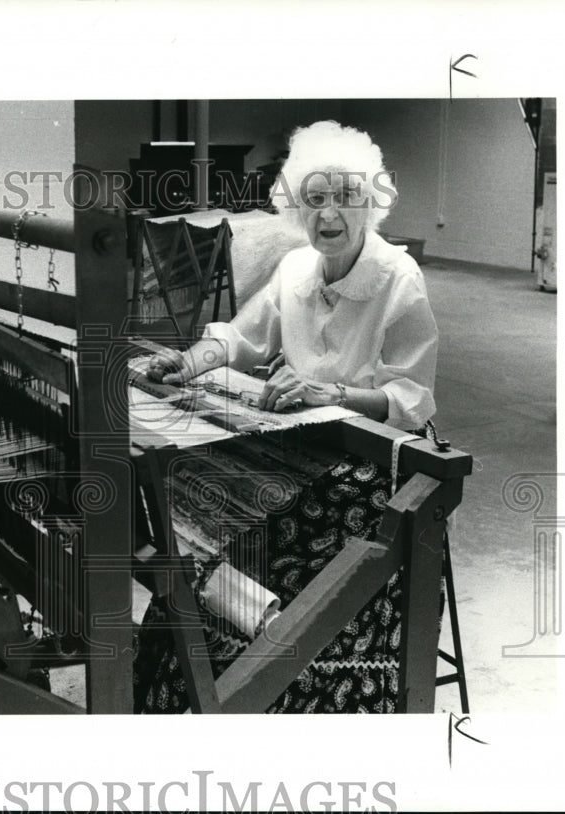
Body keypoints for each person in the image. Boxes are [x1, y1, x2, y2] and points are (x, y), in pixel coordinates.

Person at [133, 121, 440, 713]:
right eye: (315, 197)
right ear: (298, 204)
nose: (329, 214)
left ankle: (282, 682)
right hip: (304, 448)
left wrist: (331, 394)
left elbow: (411, 399)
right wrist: (188, 362)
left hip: (377, 463)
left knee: (277, 546)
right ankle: (200, 681)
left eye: (346, 196)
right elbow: (243, 339)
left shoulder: (398, 280)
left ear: (370, 203)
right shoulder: (297, 267)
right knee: (209, 509)